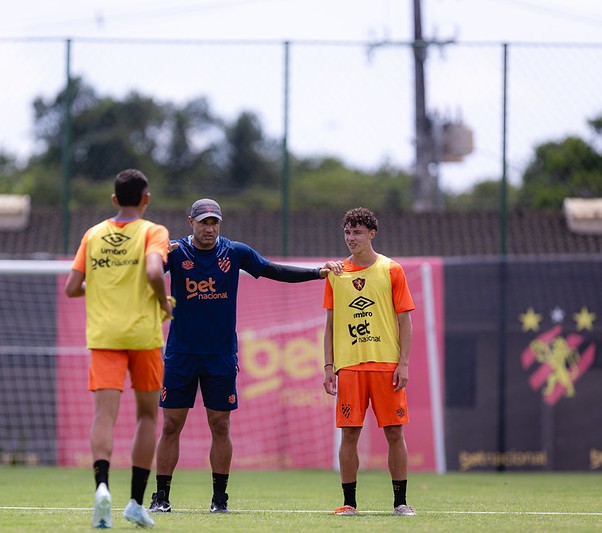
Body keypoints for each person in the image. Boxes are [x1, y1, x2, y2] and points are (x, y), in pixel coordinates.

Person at [148, 198, 341, 514]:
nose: (209, 228)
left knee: (220, 425)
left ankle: (219, 499)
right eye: (203, 222)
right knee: (171, 426)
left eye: (214, 222)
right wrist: (155, 250)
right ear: (190, 222)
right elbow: (149, 271)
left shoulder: (234, 252)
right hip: (181, 354)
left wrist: (317, 273)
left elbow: (273, 270)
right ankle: (161, 497)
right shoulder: (176, 252)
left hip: (221, 355)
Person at [64, 168, 174, 529]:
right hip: (143, 335)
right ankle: (136, 503)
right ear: (146, 198)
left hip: (105, 336)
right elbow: (156, 272)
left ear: (114, 199)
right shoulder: (152, 231)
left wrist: (101, 286)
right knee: (146, 416)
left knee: (104, 416)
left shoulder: (92, 234)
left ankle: (101, 488)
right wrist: (164, 304)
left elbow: (72, 286)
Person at [322, 207, 417, 517]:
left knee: (394, 433)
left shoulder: (392, 270)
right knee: (349, 434)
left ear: (372, 234)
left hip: (386, 365)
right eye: (348, 232)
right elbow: (330, 324)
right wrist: (328, 366)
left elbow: (405, 322)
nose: (351, 238)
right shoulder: (336, 274)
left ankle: (400, 502)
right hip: (349, 367)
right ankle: (349, 503)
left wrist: (403, 363)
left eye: (358, 233)